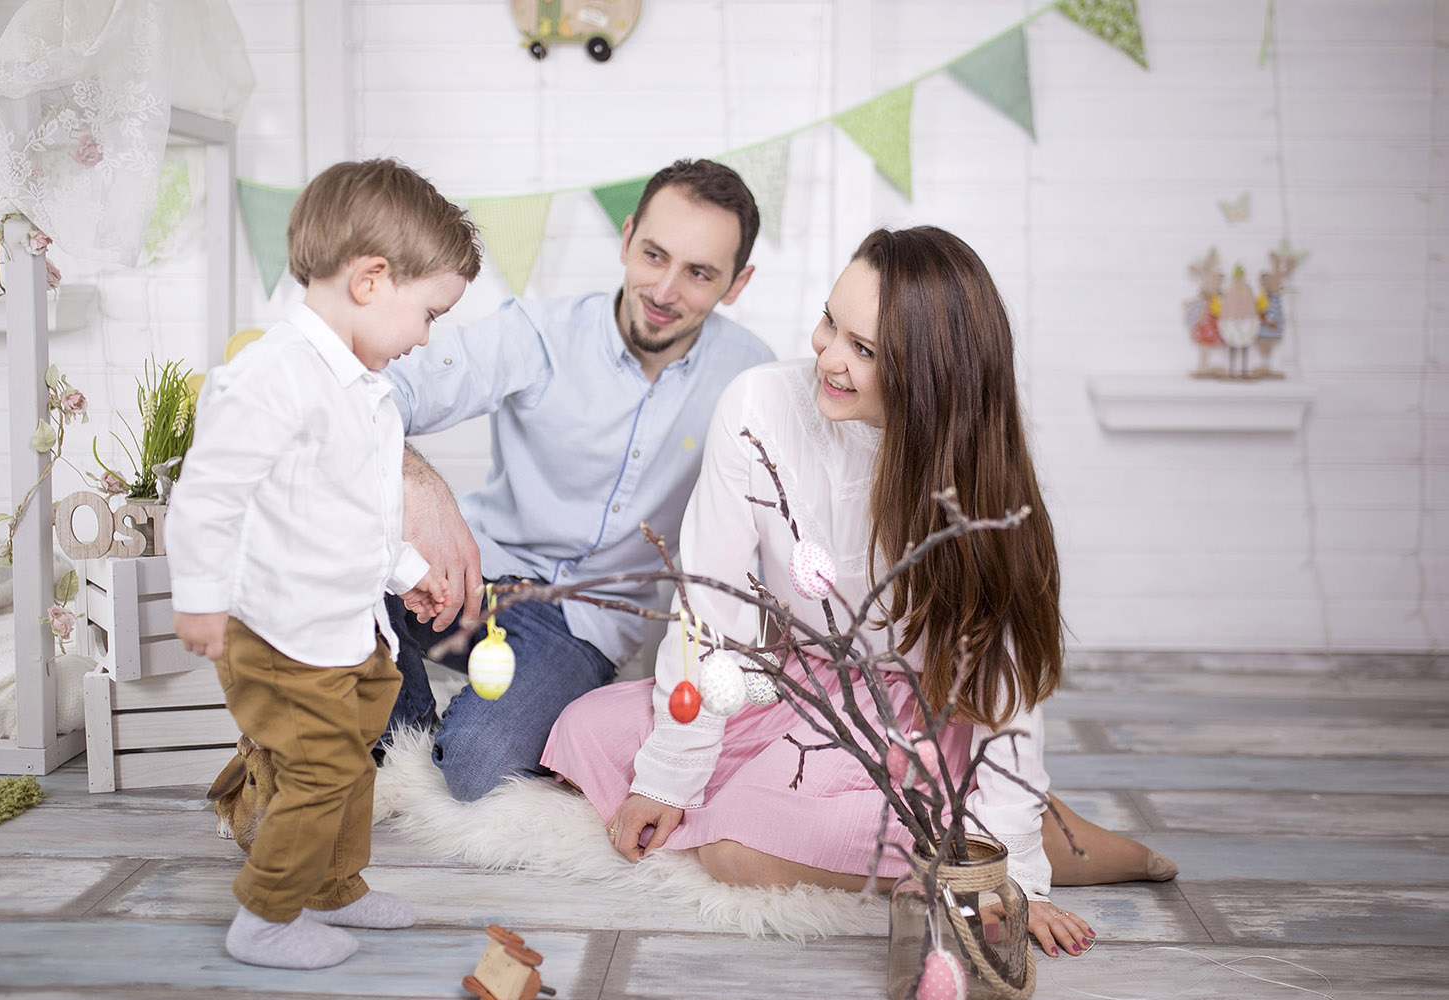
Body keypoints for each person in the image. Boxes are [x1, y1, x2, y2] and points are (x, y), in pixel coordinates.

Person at [542, 226, 1178, 960]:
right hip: (800, 680)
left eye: (864, 350)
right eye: (829, 323)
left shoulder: (970, 483)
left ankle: (1013, 834)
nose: (828, 356)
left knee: (738, 850)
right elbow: (710, 609)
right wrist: (672, 773)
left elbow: (1005, 693)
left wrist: (1016, 877)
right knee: (583, 734)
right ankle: (954, 815)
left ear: (932, 377)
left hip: (913, 709)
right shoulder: (757, 406)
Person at [167, 159, 481, 969]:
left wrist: (408, 568)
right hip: (281, 631)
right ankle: (265, 916)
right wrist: (200, 599)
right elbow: (208, 495)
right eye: (428, 314)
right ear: (373, 280)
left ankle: (335, 883)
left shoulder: (360, 387)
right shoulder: (274, 377)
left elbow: (355, 511)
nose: (424, 337)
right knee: (318, 769)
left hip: (348, 628)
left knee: (359, 753)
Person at [379, 158, 775, 800]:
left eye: (699, 273)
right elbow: (379, 392)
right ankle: (403, 724)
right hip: (468, 574)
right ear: (625, 240)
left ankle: (446, 724)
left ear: (737, 282)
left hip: (580, 625)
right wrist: (422, 487)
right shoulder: (537, 333)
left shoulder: (752, 380)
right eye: (653, 254)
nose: (666, 289)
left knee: (476, 765)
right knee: (334, 572)